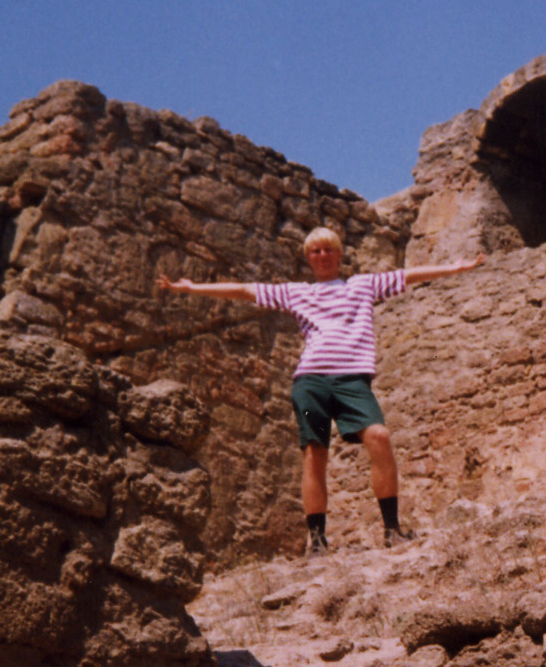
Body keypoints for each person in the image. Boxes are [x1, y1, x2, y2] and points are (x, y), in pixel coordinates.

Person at [157, 226, 483, 552]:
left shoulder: (362, 285)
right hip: (311, 383)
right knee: (315, 455)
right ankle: (317, 542)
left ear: (339, 254)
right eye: (316, 251)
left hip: (353, 381)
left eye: (328, 249)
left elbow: (408, 275)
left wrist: (454, 268)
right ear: (309, 259)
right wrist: (192, 288)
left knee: (379, 437)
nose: (323, 256)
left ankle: (392, 529)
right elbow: (245, 290)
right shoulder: (298, 292)